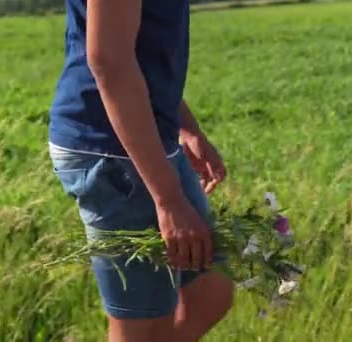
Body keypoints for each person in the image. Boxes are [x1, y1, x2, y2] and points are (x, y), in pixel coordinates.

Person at [47, 0, 234, 341]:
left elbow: (139, 50)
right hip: (112, 148)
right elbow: (110, 62)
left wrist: (185, 126)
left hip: (146, 134)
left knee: (210, 291)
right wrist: (170, 201)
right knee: (144, 328)